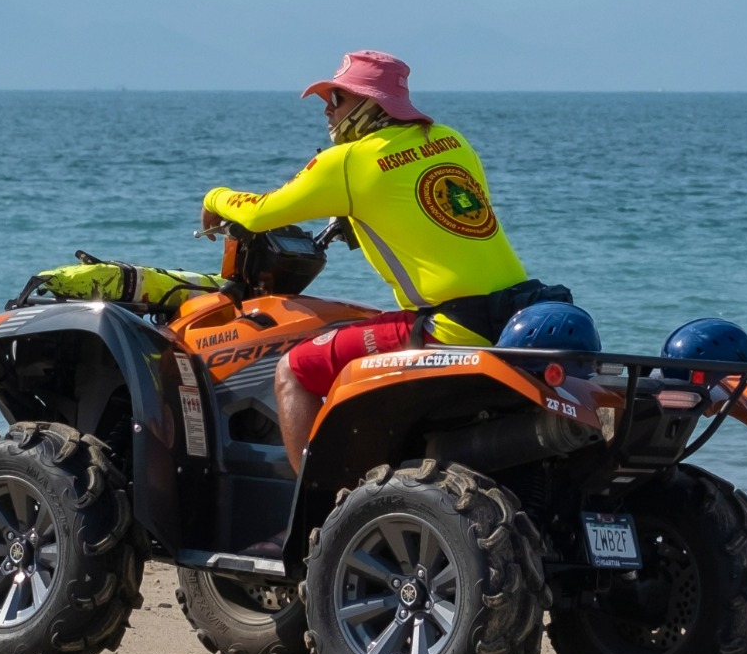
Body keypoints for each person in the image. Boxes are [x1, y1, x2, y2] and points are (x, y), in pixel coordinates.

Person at [200, 50, 561, 471]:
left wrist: (214, 197)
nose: (328, 110)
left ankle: (320, 514)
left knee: (294, 370)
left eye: (338, 98)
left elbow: (261, 212)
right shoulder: (450, 138)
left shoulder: (348, 162)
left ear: (371, 102)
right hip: (516, 314)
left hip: (449, 328)